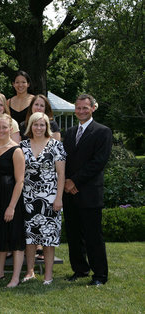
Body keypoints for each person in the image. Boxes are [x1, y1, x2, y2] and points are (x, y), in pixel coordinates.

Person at [63, 94, 112, 286]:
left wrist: (74, 181)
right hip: (70, 193)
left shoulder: (103, 132)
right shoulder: (70, 132)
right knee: (74, 235)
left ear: (93, 108)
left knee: (93, 236)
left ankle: (100, 275)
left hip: (89, 192)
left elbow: (98, 163)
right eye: (78, 108)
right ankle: (80, 269)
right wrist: (67, 181)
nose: (81, 111)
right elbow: (64, 159)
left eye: (85, 108)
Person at [20, 112, 66, 285]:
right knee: (30, 237)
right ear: (30, 126)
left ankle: (48, 275)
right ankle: (30, 271)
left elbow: (61, 174)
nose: (38, 128)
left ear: (47, 127)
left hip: (50, 197)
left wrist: (59, 198)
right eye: (35, 124)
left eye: (42, 125)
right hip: (28, 198)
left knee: (48, 238)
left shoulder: (56, 146)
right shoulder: (22, 146)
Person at [0, 114, 26, 288]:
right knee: (0, 234)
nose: (1, 130)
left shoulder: (16, 150)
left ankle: (15, 277)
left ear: (11, 129)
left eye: (5, 127)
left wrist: (12, 206)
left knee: (15, 237)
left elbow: (20, 181)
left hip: (12, 198)